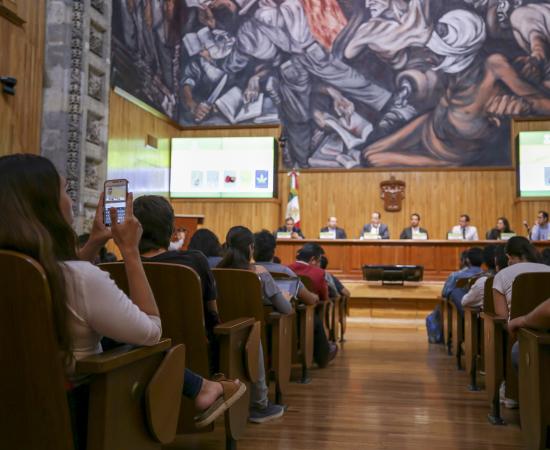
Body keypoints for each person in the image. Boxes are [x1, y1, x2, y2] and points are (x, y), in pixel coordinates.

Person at [0, 154, 245, 447]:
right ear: (46, 206)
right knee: (142, 346)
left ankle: (202, 387)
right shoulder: (81, 279)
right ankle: (203, 387)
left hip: (14, 416)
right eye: (65, 190)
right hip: (75, 416)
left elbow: (54, 277)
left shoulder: (37, 274)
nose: (70, 200)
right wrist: (129, 250)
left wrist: (94, 242)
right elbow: (151, 333)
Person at [217, 226, 289, 423]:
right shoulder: (259, 273)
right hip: (250, 335)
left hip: (221, 332)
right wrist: (283, 296)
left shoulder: (215, 271)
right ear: (251, 248)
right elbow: (286, 309)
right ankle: (260, 404)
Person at [133, 196, 221, 345]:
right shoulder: (194, 261)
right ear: (170, 229)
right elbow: (213, 315)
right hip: (191, 352)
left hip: (134, 355)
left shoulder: (115, 268)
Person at [253, 230, 335, 366]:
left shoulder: (246, 271)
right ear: (274, 251)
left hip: (254, 325)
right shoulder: (284, 271)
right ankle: (321, 356)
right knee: (311, 317)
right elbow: (308, 299)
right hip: (283, 324)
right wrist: (314, 297)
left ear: (253, 250)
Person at [288, 243, 338, 364]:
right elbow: (324, 298)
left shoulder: (286, 269)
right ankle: (322, 354)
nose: (319, 264)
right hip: (308, 316)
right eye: (319, 260)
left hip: (286, 313)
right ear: (313, 260)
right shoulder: (319, 273)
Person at [492, 236, 550, 319]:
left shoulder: (502, 275)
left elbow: (502, 317)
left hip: (517, 326)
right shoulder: (548, 269)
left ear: (509, 256)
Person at [443, 247, 484, 315]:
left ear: (467, 260)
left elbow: (444, 293)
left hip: (460, 313)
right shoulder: (486, 277)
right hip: (480, 313)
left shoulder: (455, 276)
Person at [462, 245, 504, 309]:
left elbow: (465, 302)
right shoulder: (511, 277)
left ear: (484, 261)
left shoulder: (482, 281)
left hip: (488, 314)